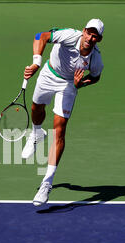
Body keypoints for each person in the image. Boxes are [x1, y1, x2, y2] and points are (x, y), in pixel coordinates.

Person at [22, 18, 105, 206]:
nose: (91, 38)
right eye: (89, 33)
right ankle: (36, 134)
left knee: (59, 131)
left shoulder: (95, 59)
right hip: (48, 73)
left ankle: (47, 183)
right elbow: (40, 36)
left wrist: (79, 84)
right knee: (36, 108)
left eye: (95, 36)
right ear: (84, 31)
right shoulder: (69, 35)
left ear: (99, 40)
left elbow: (95, 77)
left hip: (68, 85)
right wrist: (36, 63)